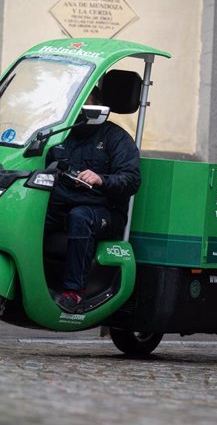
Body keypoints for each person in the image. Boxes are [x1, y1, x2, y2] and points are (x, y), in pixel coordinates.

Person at [45, 86, 141, 313]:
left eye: (84, 104)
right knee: (31, 214)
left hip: (103, 212)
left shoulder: (115, 138)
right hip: (61, 206)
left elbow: (131, 180)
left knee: (81, 217)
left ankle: (73, 293)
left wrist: (101, 179)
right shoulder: (60, 134)